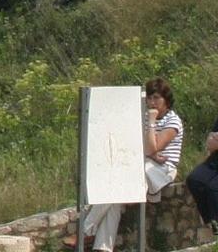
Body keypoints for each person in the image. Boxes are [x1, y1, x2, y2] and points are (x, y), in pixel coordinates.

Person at [73, 78, 181, 252]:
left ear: (166, 101)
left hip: (161, 170)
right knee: (115, 196)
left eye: (156, 98)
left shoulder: (172, 121)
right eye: (150, 99)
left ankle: (86, 230)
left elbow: (151, 147)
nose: (152, 103)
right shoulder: (141, 117)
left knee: (120, 184)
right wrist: (150, 152)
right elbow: (134, 145)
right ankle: (102, 248)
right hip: (143, 164)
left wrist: (152, 128)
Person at [186, 74, 218, 234]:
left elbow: (215, 138)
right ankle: (215, 225)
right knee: (195, 180)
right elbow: (209, 142)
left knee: (216, 188)